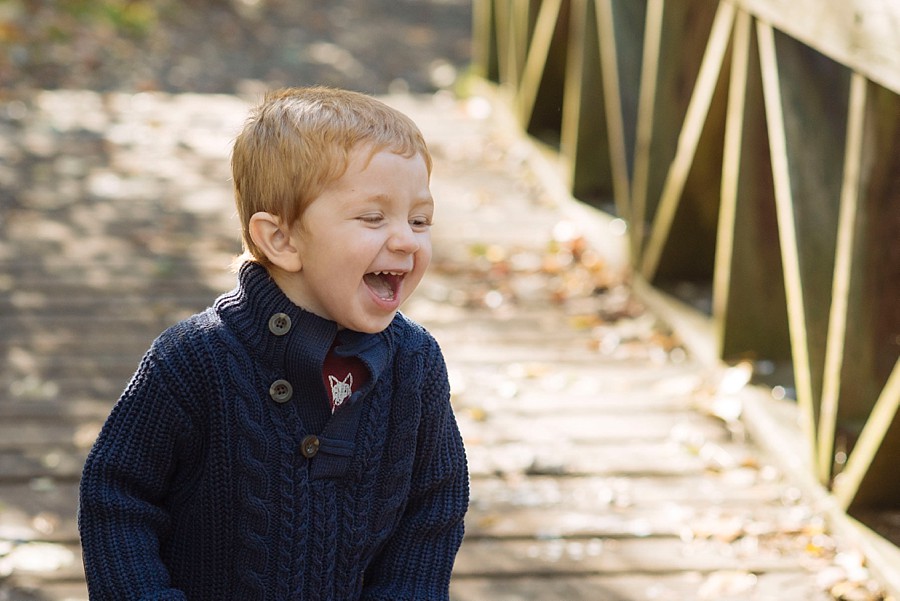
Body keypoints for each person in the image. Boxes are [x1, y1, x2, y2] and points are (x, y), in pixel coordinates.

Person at [78, 86, 469, 600]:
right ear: (281, 240)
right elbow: (117, 496)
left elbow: (433, 510)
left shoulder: (416, 365)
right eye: (373, 218)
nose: (405, 239)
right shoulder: (196, 360)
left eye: (420, 220)